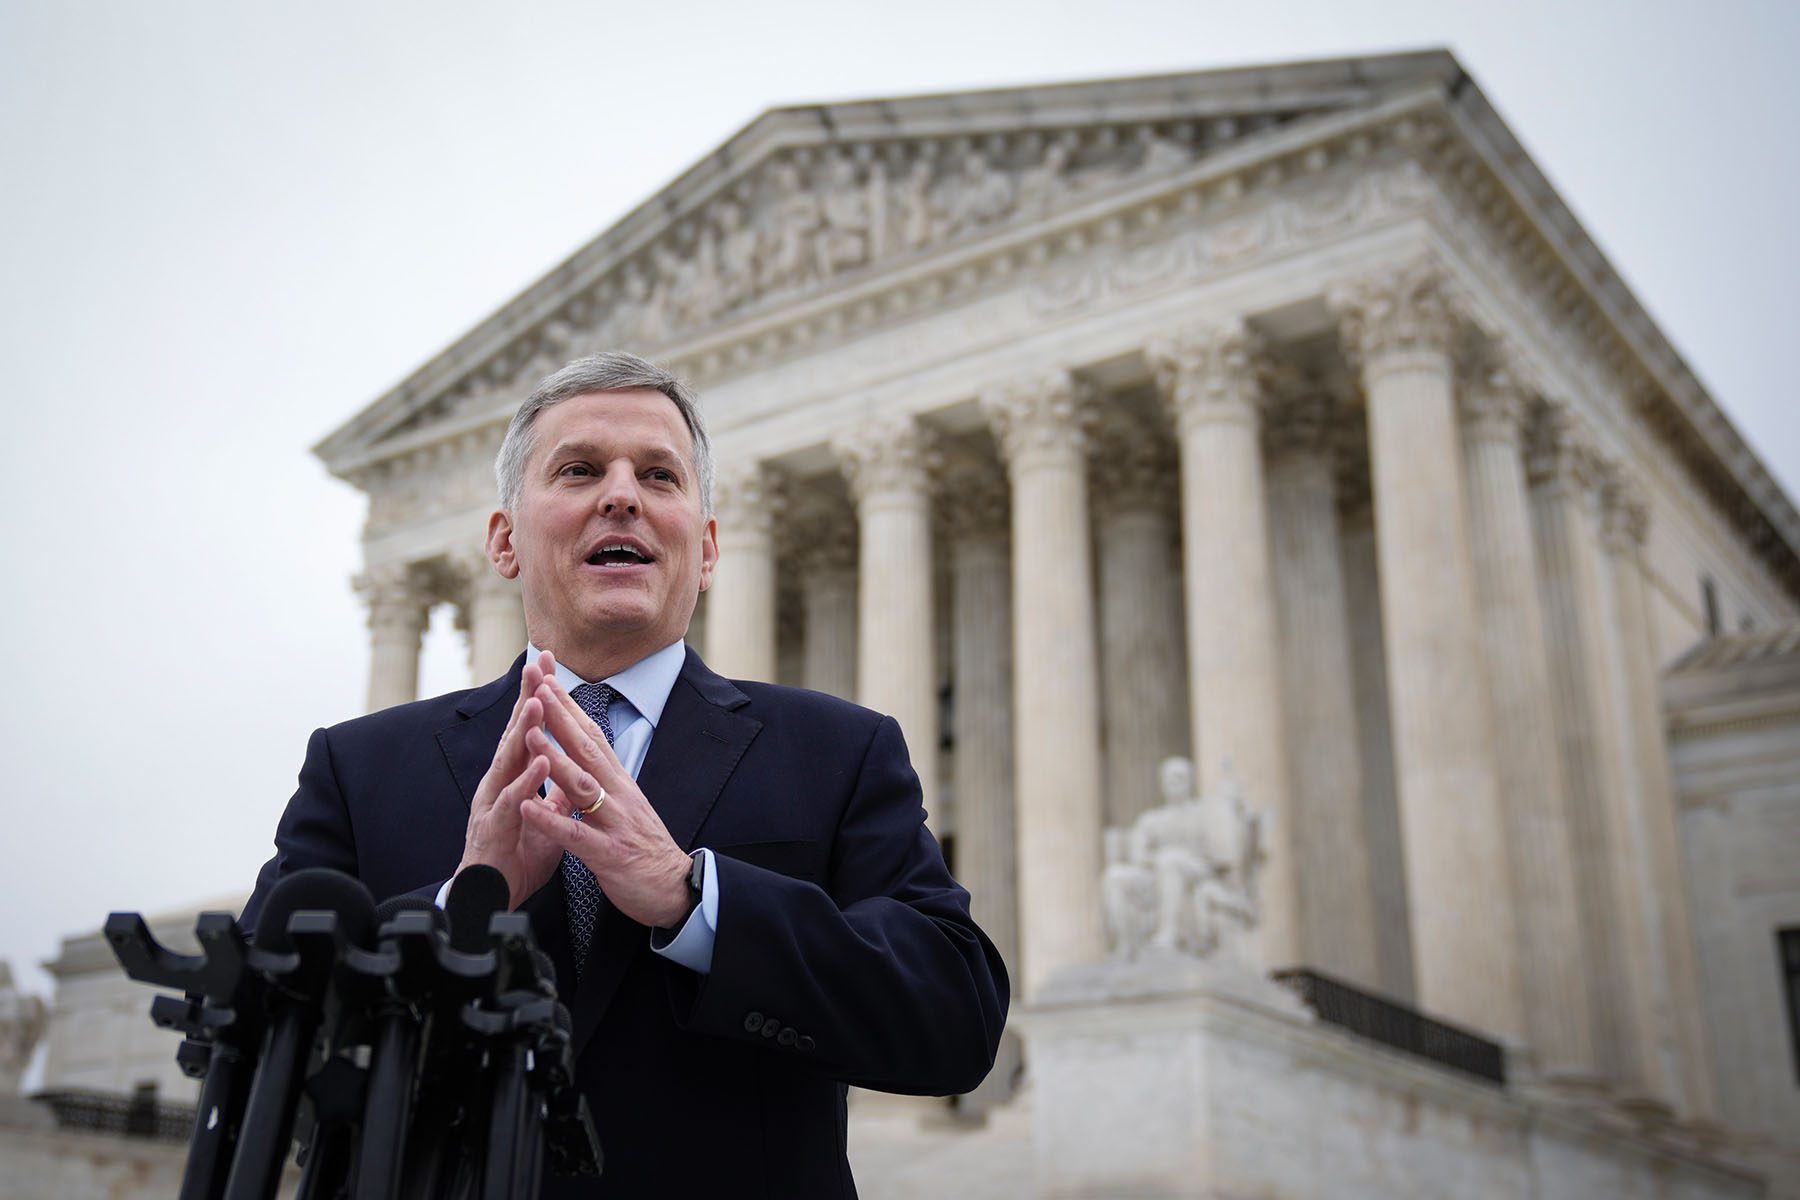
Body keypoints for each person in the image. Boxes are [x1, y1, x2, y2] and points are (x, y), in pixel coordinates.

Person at [243, 352, 1009, 1198]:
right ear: (504, 541)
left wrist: (696, 898)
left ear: (708, 547)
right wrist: (463, 905)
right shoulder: (360, 767)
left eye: (658, 475)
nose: (622, 495)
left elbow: (956, 1017)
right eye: (578, 470)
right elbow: (249, 1040)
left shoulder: (836, 751)